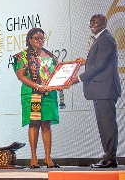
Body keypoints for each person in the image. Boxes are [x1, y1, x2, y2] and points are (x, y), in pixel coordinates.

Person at [72, 14, 121, 168]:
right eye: (91, 22)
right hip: (101, 90)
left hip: (104, 89)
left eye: (96, 22)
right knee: (104, 124)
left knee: (107, 124)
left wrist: (78, 78)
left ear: (104, 23)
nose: (92, 24)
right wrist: (86, 62)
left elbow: (99, 66)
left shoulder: (105, 39)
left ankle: (110, 157)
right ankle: (108, 156)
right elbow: (100, 62)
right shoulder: (101, 39)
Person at [13, 27, 60, 169]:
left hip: (48, 94)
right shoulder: (22, 56)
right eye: (37, 38)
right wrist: (37, 86)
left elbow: (58, 73)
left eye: (42, 38)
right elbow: (20, 76)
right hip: (32, 93)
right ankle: (34, 158)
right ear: (29, 40)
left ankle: (48, 158)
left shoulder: (51, 56)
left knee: (47, 124)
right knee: (34, 124)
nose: (40, 41)